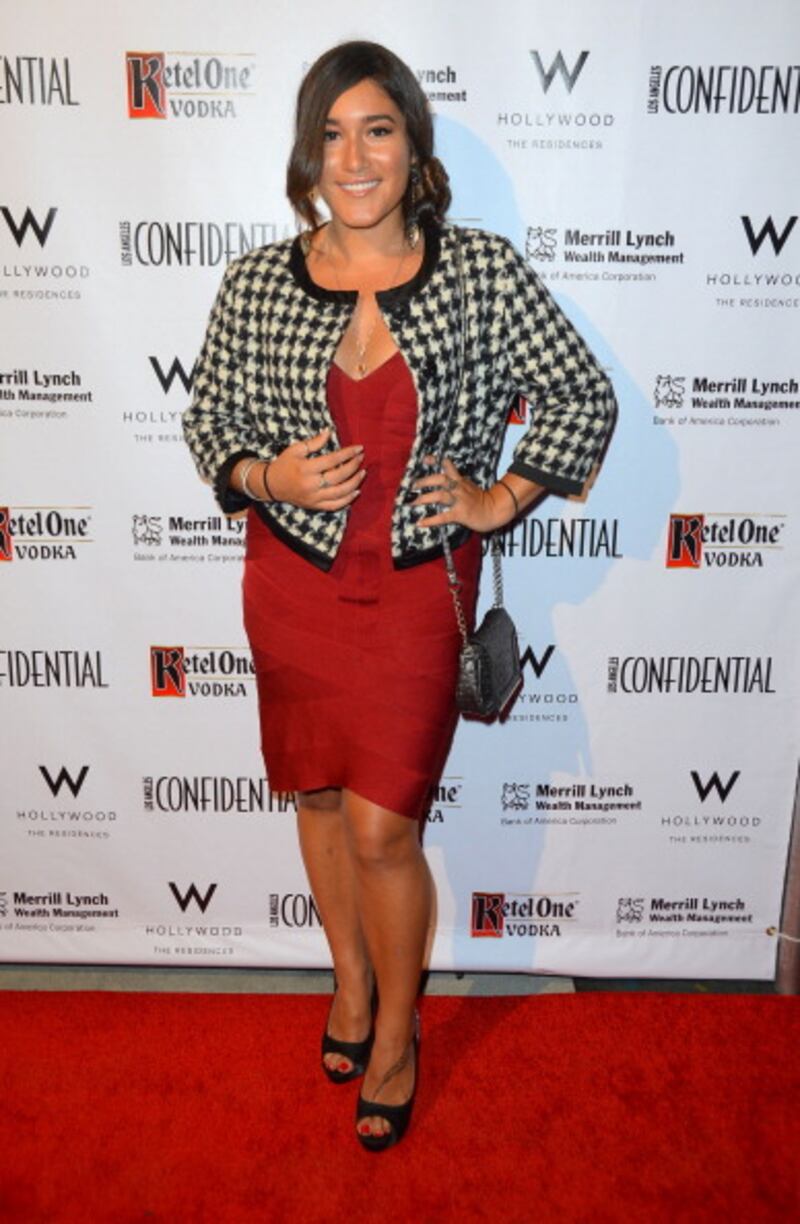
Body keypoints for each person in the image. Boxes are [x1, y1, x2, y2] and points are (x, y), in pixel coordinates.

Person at [183, 39, 616, 1151]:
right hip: (291, 584)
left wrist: (499, 498)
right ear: (307, 155)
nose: (353, 157)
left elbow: (581, 395)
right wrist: (266, 477)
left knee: (384, 826)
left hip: (420, 588)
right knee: (319, 801)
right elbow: (208, 418)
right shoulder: (255, 282)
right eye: (330, 134)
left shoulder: (478, 272)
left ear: (412, 146)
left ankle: (395, 1034)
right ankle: (349, 982)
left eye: (375, 129)